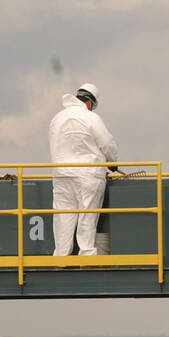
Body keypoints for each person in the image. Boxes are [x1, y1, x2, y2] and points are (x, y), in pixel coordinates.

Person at [48, 83, 119, 256]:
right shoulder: (91, 118)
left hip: (61, 175)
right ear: (90, 102)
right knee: (87, 215)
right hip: (88, 175)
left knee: (63, 217)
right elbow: (107, 143)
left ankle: (60, 258)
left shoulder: (57, 118)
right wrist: (112, 161)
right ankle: (87, 255)